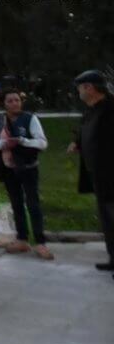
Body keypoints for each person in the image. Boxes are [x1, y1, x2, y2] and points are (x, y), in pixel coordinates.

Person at [0, 89, 51, 259]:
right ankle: (22, 239)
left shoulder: (30, 119)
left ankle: (40, 242)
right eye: (10, 101)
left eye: (17, 100)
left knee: (33, 203)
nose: (14, 103)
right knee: (16, 203)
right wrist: (4, 143)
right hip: (8, 167)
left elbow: (42, 143)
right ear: (4, 104)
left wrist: (23, 141)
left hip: (28, 166)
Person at [70, 70, 114, 277]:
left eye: (80, 87)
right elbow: (85, 130)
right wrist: (77, 143)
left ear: (89, 87)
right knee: (107, 220)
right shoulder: (90, 111)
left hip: (111, 175)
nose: (78, 91)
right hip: (98, 176)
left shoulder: (110, 109)